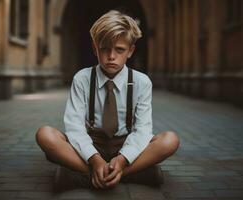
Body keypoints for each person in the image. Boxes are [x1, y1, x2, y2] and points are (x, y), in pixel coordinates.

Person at [36, 10, 179, 190]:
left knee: (170, 140)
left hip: (125, 144)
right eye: (105, 49)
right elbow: (74, 127)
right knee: (45, 135)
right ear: (95, 49)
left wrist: (122, 160)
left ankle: (93, 175)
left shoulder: (141, 82)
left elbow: (142, 129)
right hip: (91, 144)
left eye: (119, 49)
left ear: (130, 51)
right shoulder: (82, 79)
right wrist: (95, 159)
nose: (111, 56)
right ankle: (129, 174)